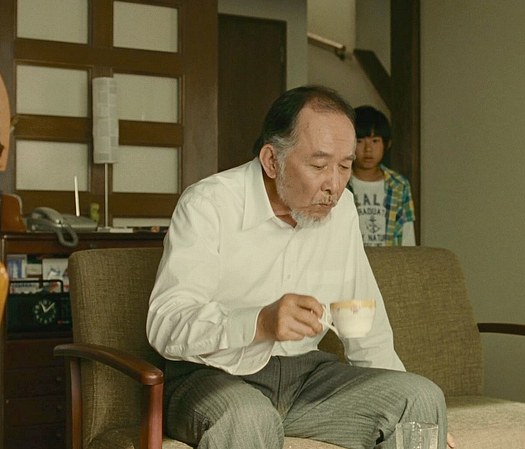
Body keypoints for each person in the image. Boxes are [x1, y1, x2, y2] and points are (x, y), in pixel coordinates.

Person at [147, 85, 451, 449]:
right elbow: (166, 322)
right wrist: (260, 322)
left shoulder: (343, 210)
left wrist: (418, 419)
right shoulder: (208, 204)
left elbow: (365, 326)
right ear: (271, 160)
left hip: (306, 378)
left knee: (420, 397)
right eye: (319, 166)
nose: (334, 186)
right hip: (213, 375)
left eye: (345, 166)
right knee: (249, 417)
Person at [348, 105, 416, 246]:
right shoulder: (340, 183)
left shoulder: (399, 185)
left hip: (389, 258)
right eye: (359, 141)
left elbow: (407, 233)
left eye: (375, 141)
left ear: (387, 144)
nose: (368, 149)